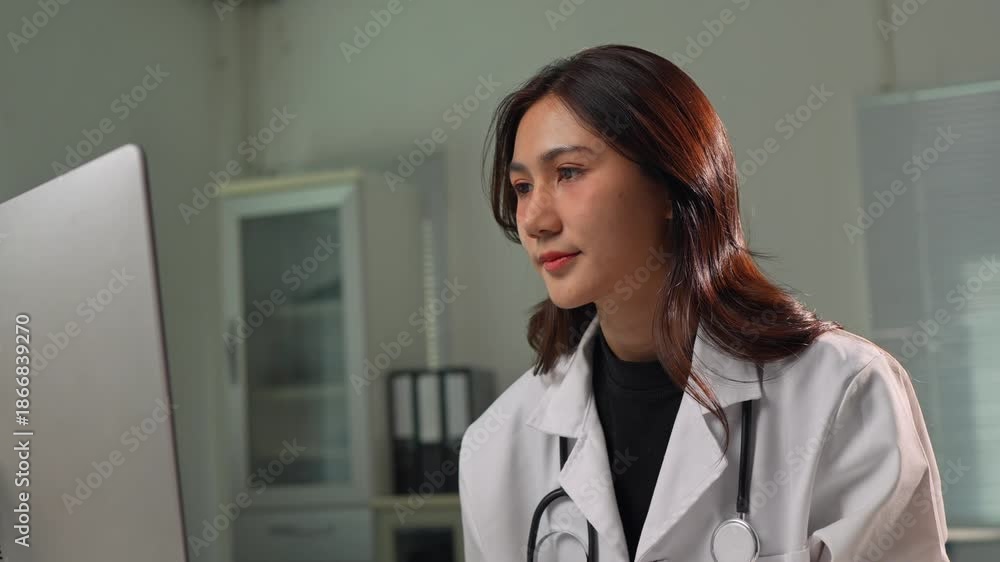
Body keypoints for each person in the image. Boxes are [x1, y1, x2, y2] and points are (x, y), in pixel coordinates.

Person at [457, 44, 950, 562]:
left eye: (569, 172)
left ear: (672, 183)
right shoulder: (497, 445)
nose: (535, 220)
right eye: (522, 187)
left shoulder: (841, 391)